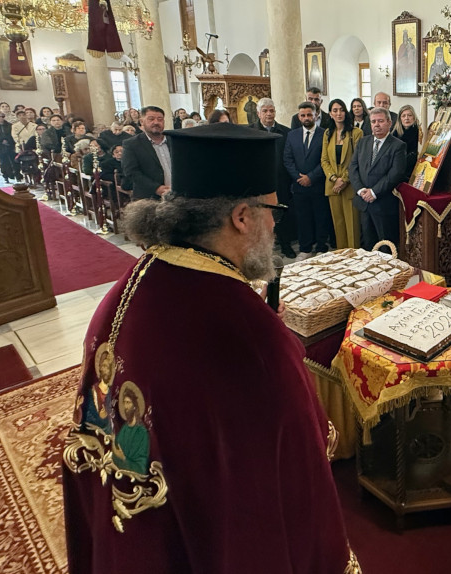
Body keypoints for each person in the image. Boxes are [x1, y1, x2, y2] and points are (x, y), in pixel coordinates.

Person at [62, 122, 359, 574]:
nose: (274, 225)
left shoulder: (138, 277)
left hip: (135, 527)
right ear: (241, 217)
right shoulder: (245, 330)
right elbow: (301, 449)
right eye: (271, 211)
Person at [349, 107, 405, 250]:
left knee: (386, 246)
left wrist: (374, 192)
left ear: (389, 123)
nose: (376, 125)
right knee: (367, 245)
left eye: (380, 121)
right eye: (373, 122)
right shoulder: (363, 142)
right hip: (364, 202)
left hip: (383, 204)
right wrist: (360, 190)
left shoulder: (398, 146)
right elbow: (353, 167)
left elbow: (395, 174)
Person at [284, 101, 330, 257]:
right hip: (299, 186)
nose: (306, 118)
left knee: (321, 217)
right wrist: (299, 178)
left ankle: (321, 247)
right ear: (299, 117)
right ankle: (305, 248)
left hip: (318, 184)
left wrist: (311, 177)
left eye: (309, 114)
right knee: (303, 218)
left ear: (315, 115)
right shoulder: (292, 135)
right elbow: (288, 159)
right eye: (303, 115)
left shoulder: (325, 134)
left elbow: (326, 160)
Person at [253, 97, 295, 258]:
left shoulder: (286, 132)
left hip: (281, 181)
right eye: (265, 111)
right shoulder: (252, 132)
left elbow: (290, 157)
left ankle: (286, 245)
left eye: (271, 110)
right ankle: (263, 250)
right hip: (260, 182)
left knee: (283, 215)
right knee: (261, 216)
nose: (269, 114)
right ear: (258, 113)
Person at [321, 98, 363, 249]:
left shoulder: (356, 133)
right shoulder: (327, 133)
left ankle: (354, 257)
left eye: (341, 110)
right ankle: (342, 256)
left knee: (352, 226)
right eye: (335, 110)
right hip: (332, 186)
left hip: (349, 184)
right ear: (330, 114)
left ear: (346, 112)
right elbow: (324, 160)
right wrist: (334, 178)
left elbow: (357, 160)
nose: (339, 113)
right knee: (338, 225)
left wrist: (344, 179)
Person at [122, 106, 171, 200]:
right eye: (151, 119)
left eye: (160, 119)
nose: (156, 122)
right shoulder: (132, 144)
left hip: (177, 195)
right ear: (142, 121)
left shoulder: (174, 140)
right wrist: (156, 188)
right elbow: (131, 172)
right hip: (149, 198)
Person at [394, 104, 420, 181]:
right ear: (400, 119)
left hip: (413, 169)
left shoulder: (419, 133)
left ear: (414, 117)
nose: (406, 118)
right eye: (403, 116)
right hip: (396, 168)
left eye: (409, 115)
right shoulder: (394, 134)